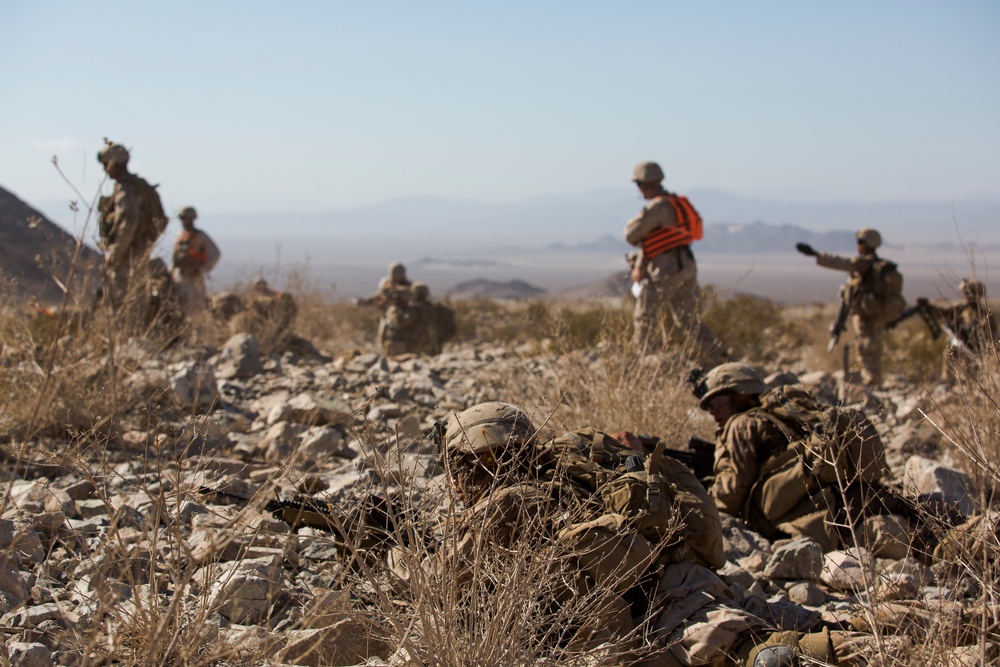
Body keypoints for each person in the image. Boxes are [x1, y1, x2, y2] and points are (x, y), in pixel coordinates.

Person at [414, 401, 820, 667]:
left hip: (660, 613)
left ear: (475, 461)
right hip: (698, 579)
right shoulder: (572, 468)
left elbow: (440, 589)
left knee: (768, 657)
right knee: (823, 626)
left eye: (458, 467)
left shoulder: (503, 504)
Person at [692, 363, 908, 553]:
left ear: (740, 394)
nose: (712, 412)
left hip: (817, 517)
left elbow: (732, 493)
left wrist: (704, 498)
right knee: (912, 518)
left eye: (717, 403)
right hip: (845, 495)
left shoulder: (740, 424)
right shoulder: (781, 413)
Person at [624, 161, 725, 364]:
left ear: (644, 184)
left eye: (639, 185)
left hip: (665, 269)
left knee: (645, 317)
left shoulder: (658, 207)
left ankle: (642, 365)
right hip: (686, 264)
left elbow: (631, 234)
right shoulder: (676, 202)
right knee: (689, 320)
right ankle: (722, 360)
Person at [796, 228, 904, 387]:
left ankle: (873, 381)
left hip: (866, 314)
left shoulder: (864, 264)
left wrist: (817, 255)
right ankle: (873, 379)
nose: (858, 245)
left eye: (860, 242)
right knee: (870, 345)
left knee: (866, 346)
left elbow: (840, 262)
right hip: (872, 313)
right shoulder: (874, 266)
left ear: (868, 245)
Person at [96, 139, 168, 308]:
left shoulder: (127, 189)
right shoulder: (139, 186)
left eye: (106, 164)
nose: (105, 169)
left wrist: (115, 255)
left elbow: (128, 224)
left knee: (126, 304)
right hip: (138, 253)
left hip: (128, 257)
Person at [923, 279, 996, 381]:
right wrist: (928, 307)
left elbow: (990, 334)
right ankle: (948, 380)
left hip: (976, 349)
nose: (967, 297)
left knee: (975, 370)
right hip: (963, 344)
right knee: (951, 352)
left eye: (969, 294)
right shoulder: (962, 308)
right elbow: (944, 313)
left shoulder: (984, 314)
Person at [355, 262, 416, 356]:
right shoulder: (387, 284)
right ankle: (385, 355)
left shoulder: (408, 285)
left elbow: (413, 298)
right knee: (383, 336)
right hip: (388, 316)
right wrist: (366, 302)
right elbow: (378, 296)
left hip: (404, 317)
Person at [171, 206, 221, 314]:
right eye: (182, 219)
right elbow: (174, 257)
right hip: (179, 278)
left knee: (196, 311)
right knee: (179, 310)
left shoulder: (200, 236)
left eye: (185, 218)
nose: (183, 221)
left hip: (194, 280)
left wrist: (201, 270)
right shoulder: (179, 236)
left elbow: (215, 254)